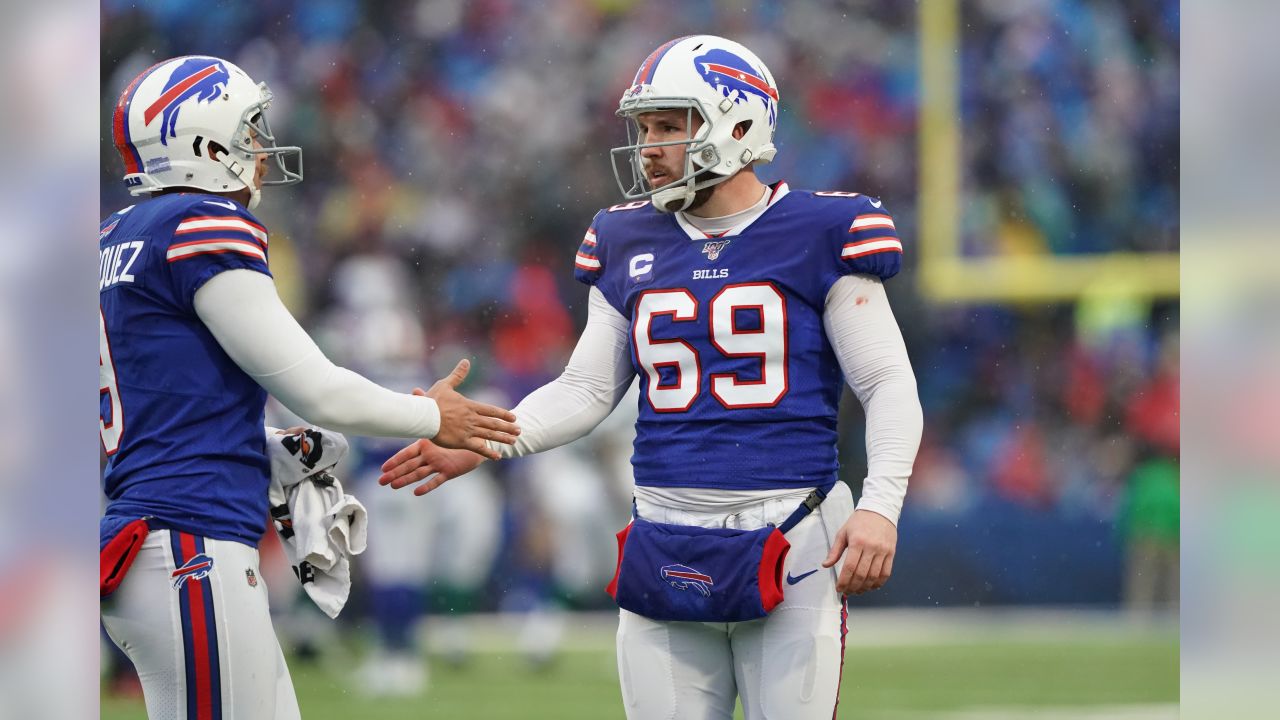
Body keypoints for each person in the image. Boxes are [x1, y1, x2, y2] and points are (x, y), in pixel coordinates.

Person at [380, 35, 922, 719]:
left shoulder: (826, 228)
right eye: (643, 129)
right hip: (665, 534)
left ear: (739, 123)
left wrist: (880, 503)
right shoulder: (622, 237)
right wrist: (487, 438)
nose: (649, 147)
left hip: (795, 532)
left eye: (670, 125)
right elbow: (586, 388)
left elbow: (887, 384)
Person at [98, 55, 519, 720]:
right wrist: (428, 414)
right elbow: (317, 388)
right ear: (205, 145)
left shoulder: (118, 236)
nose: (261, 149)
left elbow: (167, 402)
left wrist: (262, 448)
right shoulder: (198, 227)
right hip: (189, 542)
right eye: (248, 132)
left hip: (160, 536)